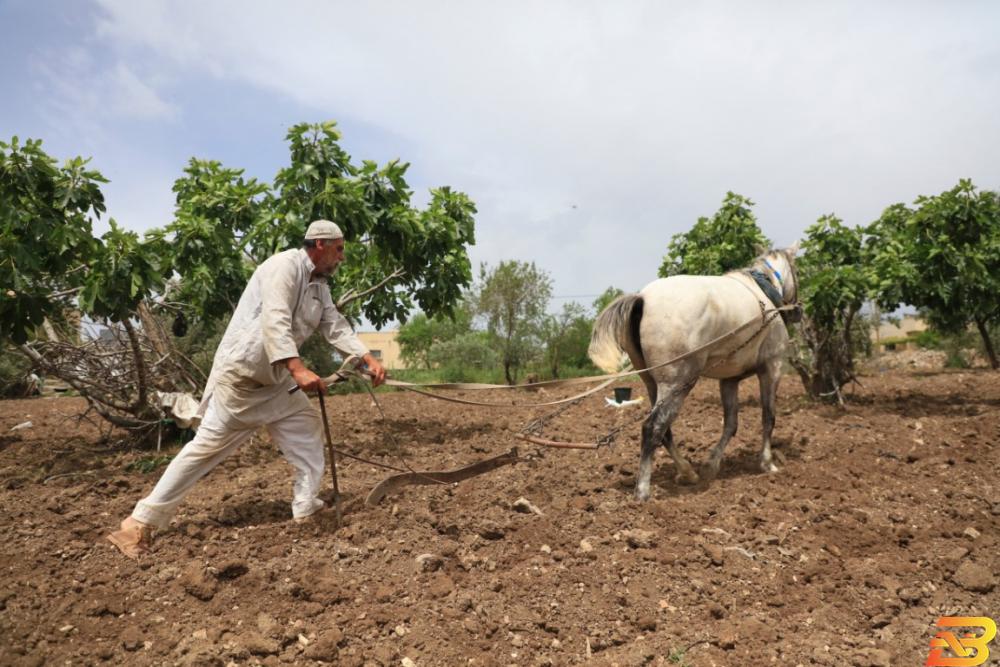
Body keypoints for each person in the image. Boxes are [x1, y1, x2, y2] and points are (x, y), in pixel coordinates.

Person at [107, 220, 385, 558]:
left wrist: (366, 359)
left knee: (306, 427)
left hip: (275, 384)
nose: (342, 257)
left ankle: (306, 505)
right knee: (204, 451)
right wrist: (297, 368)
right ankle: (138, 523)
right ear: (321, 244)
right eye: (339, 249)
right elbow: (275, 319)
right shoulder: (284, 267)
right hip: (241, 382)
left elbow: (335, 326)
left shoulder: (319, 287)